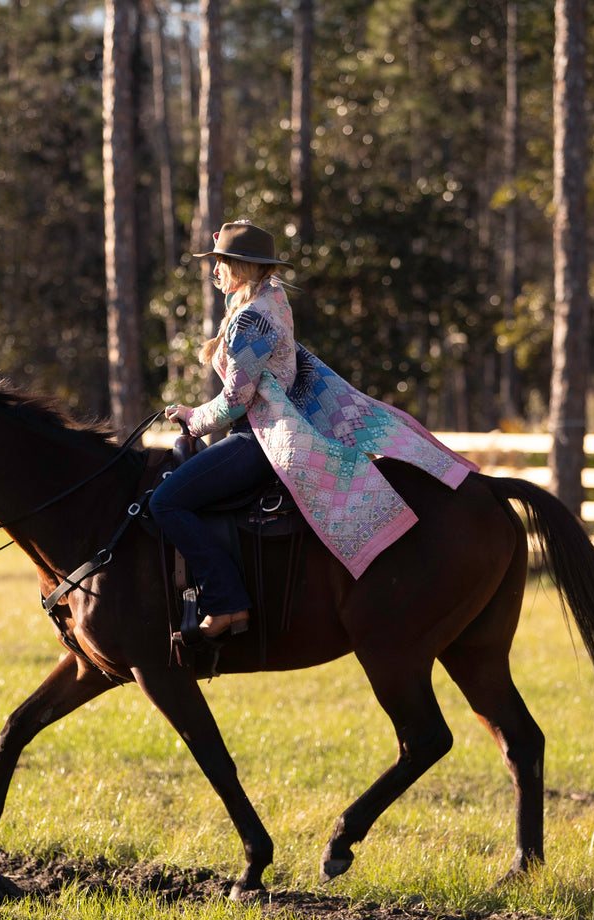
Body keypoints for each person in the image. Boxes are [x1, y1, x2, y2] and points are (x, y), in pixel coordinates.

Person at [149, 220, 479, 639]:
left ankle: (227, 602)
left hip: (261, 440)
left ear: (242, 266)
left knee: (166, 502)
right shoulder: (274, 299)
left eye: (220, 263)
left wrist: (193, 418)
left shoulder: (252, 319)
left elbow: (235, 401)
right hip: (265, 430)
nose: (214, 271)